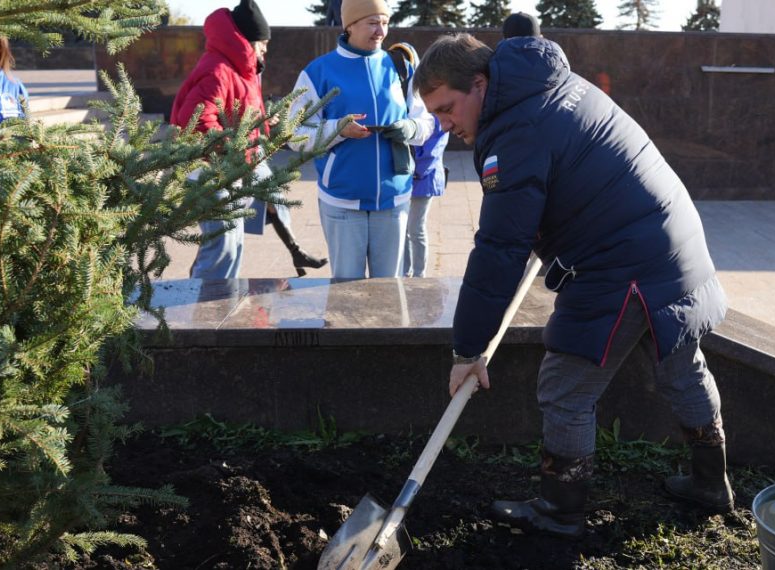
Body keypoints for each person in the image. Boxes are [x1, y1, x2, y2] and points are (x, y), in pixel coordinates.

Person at [416, 34, 733, 539]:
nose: (444, 125)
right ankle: (711, 482)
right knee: (682, 367)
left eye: (448, 108)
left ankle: (559, 512)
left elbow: (499, 250)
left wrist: (467, 348)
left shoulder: (516, 132)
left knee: (564, 388)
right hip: (675, 244)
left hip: (622, 264)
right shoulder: (551, 86)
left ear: (479, 84)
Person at [170, 0, 326, 279]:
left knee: (253, 216)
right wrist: (234, 145)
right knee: (224, 244)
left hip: (239, 162)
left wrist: (262, 122)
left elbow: (236, 110)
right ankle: (203, 303)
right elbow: (195, 122)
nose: (266, 48)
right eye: (262, 42)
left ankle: (292, 252)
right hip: (213, 170)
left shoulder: (242, 68)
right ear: (246, 40)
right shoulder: (218, 70)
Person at [287, 0, 434, 279]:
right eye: (372, 22)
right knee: (345, 295)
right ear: (350, 25)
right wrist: (337, 130)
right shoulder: (318, 73)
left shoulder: (401, 67)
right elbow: (294, 134)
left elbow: (426, 122)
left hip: (394, 200)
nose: (381, 31)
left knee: (389, 293)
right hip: (343, 202)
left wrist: (410, 128)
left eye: (385, 22)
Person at [387, 42, 449, 279]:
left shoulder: (428, 95)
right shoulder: (399, 94)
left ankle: (420, 275)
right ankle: (405, 271)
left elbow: (436, 141)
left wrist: (419, 170)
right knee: (402, 229)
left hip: (424, 177)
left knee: (416, 228)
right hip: (404, 174)